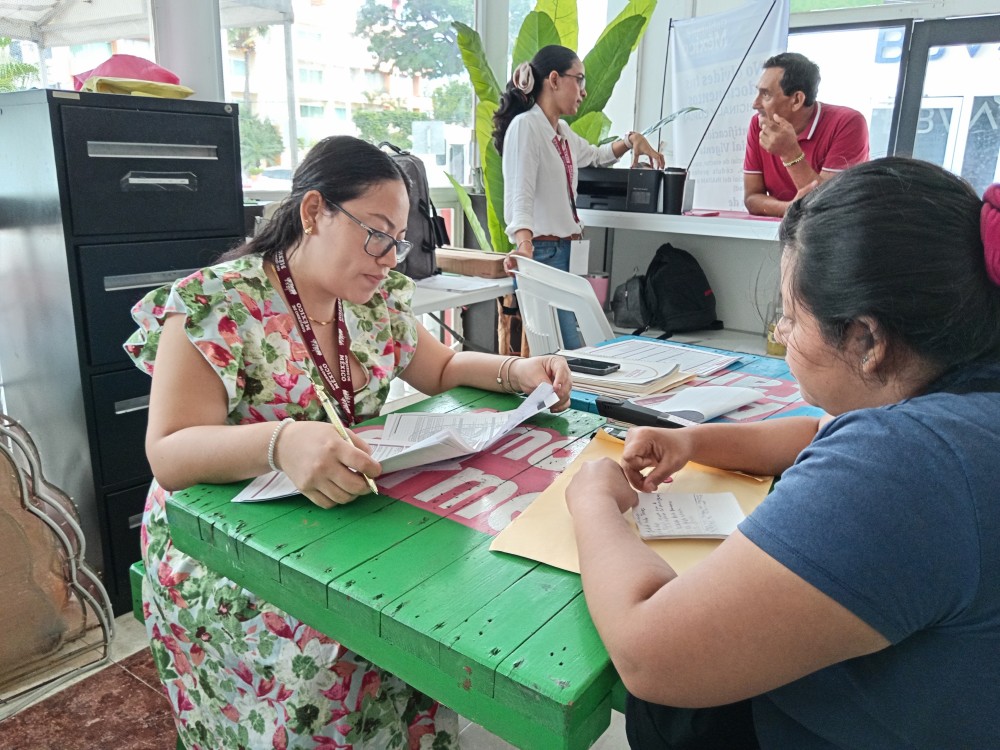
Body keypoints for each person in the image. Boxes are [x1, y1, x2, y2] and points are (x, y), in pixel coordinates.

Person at [124, 135, 572, 750]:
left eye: (399, 240)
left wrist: (514, 371)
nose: (390, 257)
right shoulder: (216, 303)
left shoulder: (371, 300)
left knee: (432, 598)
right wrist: (280, 443)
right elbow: (169, 452)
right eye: (377, 233)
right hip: (226, 546)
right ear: (314, 213)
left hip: (336, 520)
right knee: (331, 644)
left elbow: (438, 368)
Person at [566, 157, 1000, 749]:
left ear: (868, 341)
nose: (782, 334)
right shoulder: (966, 394)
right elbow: (814, 434)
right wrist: (691, 440)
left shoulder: (910, 462)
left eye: (791, 318)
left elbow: (648, 655)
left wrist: (592, 499)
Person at [492, 44, 664, 350]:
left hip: (564, 251)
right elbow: (520, 194)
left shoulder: (561, 132)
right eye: (579, 80)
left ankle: (566, 396)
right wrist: (524, 245)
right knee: (565, 349)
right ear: (555, 80)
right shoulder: (526, 127)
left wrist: (631, 140)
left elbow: (597, 156)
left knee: (570, 346)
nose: (583, 91)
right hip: (542, 253)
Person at [743, 52, 869, 217]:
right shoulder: (759, 124)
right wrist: (790, 209)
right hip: (783, 231)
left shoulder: (848, 123)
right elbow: (752, 198)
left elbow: (828, 207)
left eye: (766, 94)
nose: (755, 104)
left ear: (796, 100)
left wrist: (789, 153)